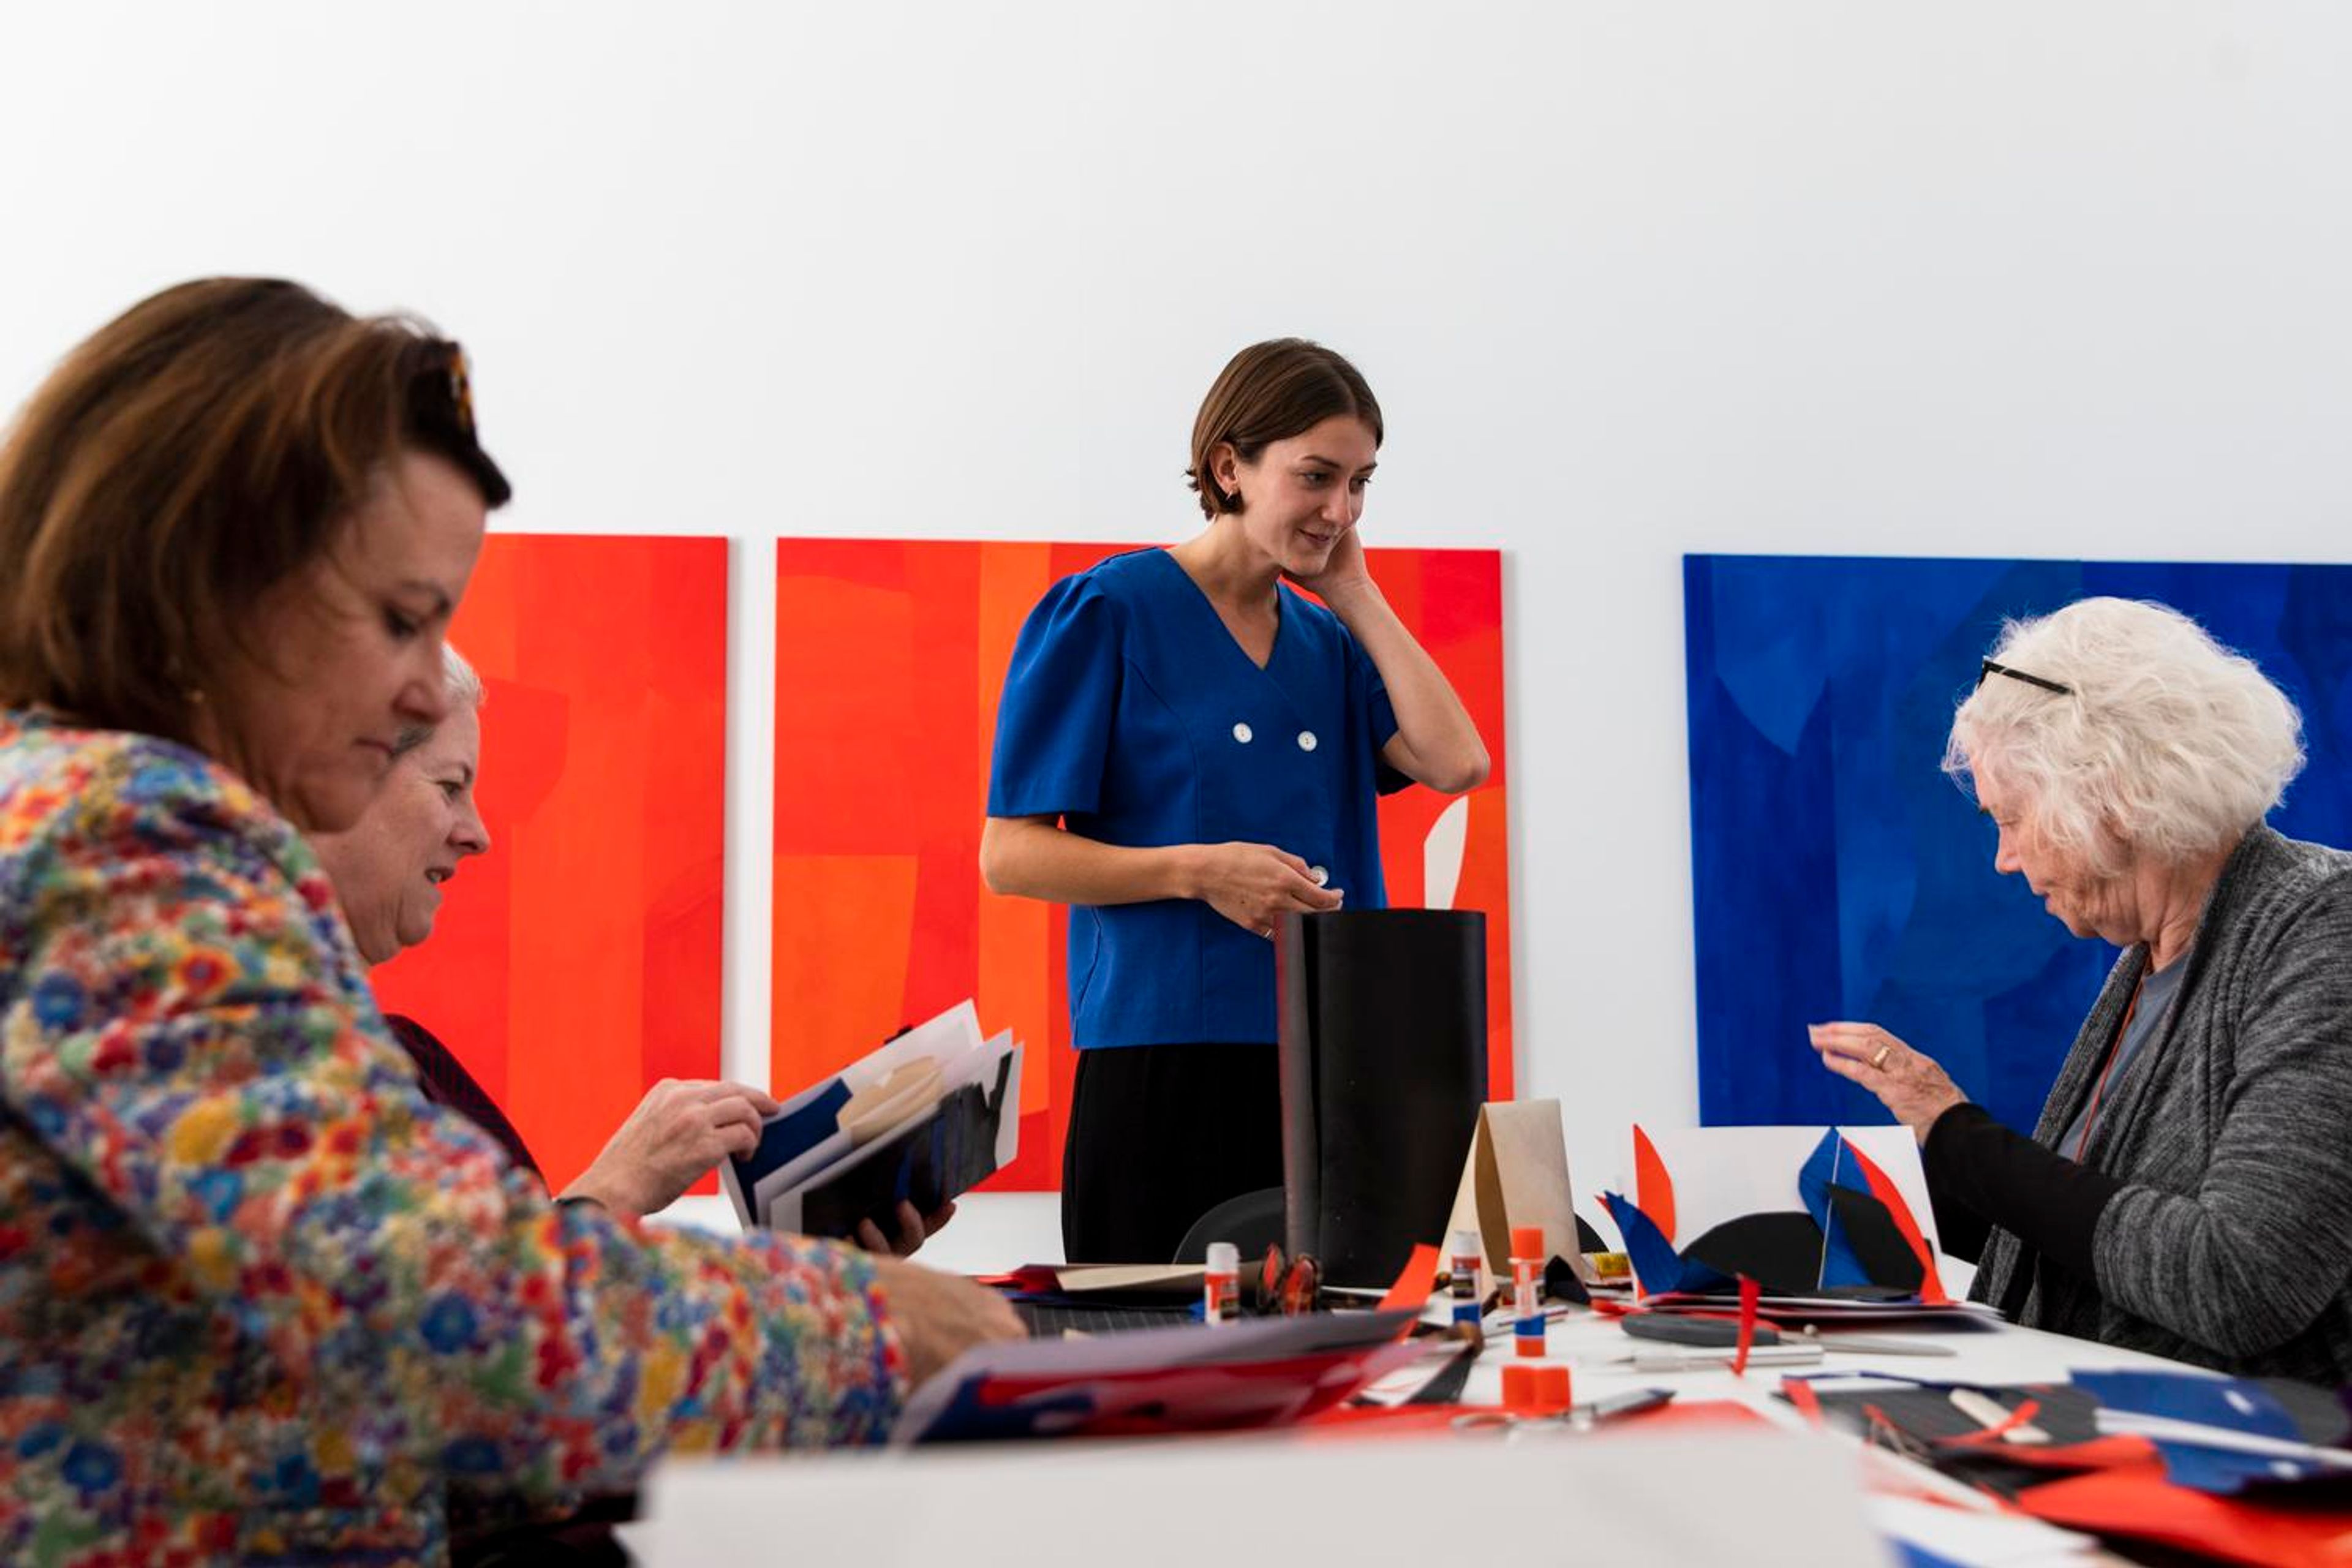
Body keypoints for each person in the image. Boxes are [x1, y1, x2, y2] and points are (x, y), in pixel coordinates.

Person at [0, 279, 1019, 1563]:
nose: (428, 687)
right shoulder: (130, 843)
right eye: (399, 619)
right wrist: (894, 1328)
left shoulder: (82, 818)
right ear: (211, 578)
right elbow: (449, 1315)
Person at [980, 338, 1489, 1263]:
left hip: (1332, 1057)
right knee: (1153, 1360)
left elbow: (1458, 764)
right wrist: (1198, 870)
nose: (1341, 510)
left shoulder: (1328, 643)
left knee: (1335, 1364)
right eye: (1316, 477)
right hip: (1161, 1067)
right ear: (1229, 468)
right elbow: (1009, 854)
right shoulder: (1108, 610)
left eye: (1362, 483)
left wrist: (1359, 594)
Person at [1812, 597, 2352, 1381]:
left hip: (2259, 1475)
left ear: (2108, 796)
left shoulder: (2322, 926)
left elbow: (2240, 1281)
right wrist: (1873, 1188)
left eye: (2014, 818)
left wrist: (1958, 1134)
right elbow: (2088, 1232)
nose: (2002, 858)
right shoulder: (2150, 957)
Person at [309, 643, 943, 1252]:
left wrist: (821, 1267)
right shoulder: (284, 1070)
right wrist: (617, 1187)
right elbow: (457, 1333)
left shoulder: (405, 1057)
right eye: (450, 787)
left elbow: (545, 1315)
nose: (477, 835)